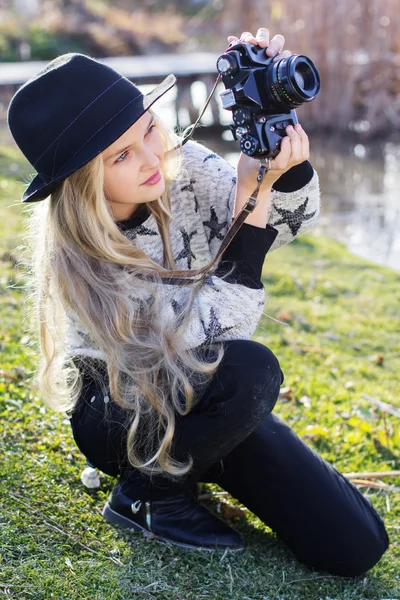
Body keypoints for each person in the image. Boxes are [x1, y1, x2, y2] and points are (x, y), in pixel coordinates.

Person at [7, 27, 389, 577]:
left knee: (355, 545)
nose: (150, 157)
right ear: (82, 180)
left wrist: (276, 156)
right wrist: (248, 207)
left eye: (147, 131)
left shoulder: (178, 166)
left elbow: (286, 225)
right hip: (123, 411)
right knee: (251, 369)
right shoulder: (82, 258)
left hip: (209, 407)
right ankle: (147, 496)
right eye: (121, 156)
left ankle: (191, 465)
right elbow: (200, 342)